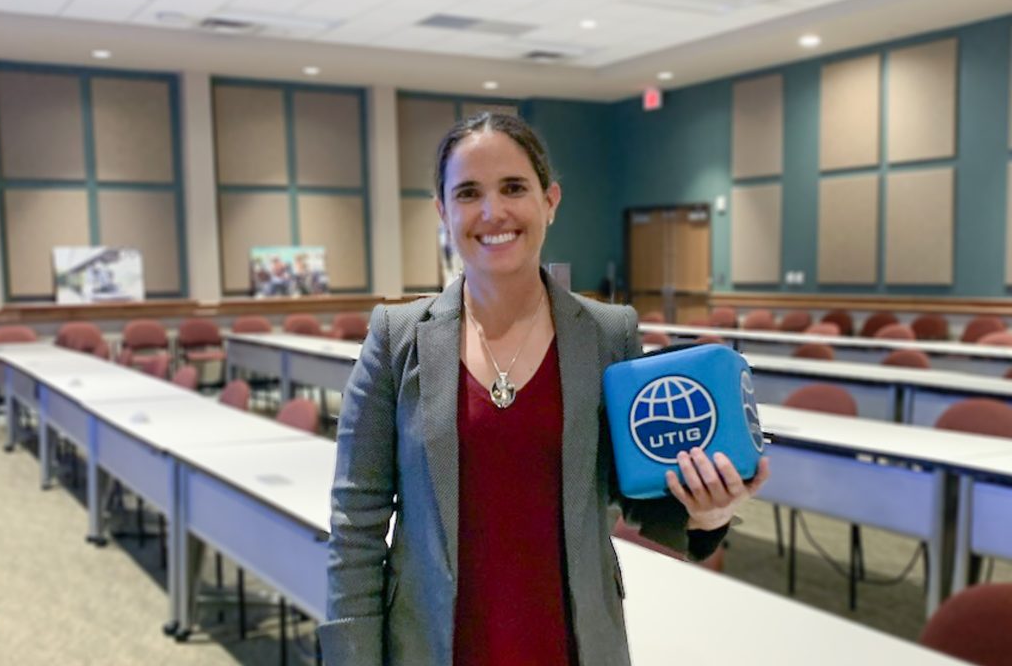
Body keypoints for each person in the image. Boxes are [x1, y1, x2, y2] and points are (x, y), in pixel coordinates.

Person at [318, 112, 769, 666]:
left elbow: (641, 499)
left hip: (571, 641)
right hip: (432, 644)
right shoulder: (396, 339)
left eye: (514, 188)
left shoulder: (609, 335)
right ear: (443, 212)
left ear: (549, 200)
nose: (492, 212)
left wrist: (707, 514)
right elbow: (355, 523)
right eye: (467, 193)